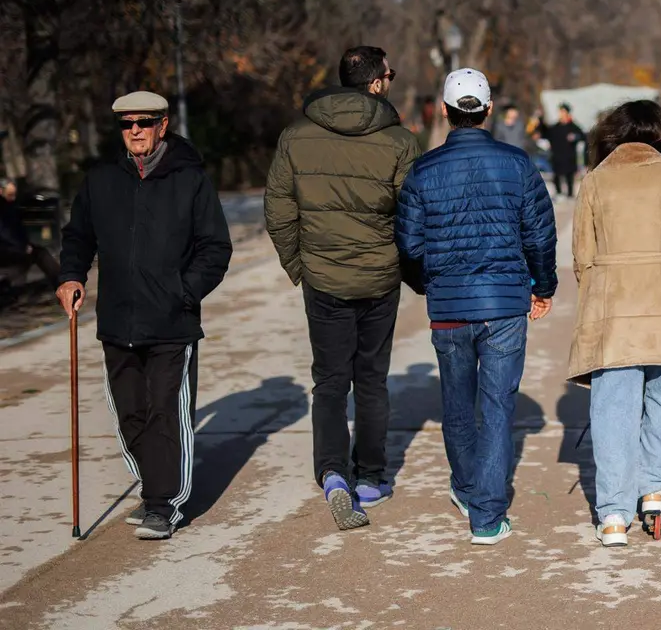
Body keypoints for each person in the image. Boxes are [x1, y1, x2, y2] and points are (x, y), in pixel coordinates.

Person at [57, 90, 232, 540]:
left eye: (144, 122)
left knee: (164, 414)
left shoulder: (190, 179)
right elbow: (78, 236)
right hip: (117, 322)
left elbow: (215, 248)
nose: (135, 130)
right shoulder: (101, 180)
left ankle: (162, 503)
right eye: (126, 124)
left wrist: (183, 293)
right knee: (130, 415)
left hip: (172, 323)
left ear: (162, 125)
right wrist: (71, 276)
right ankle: (154, 483)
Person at [265, 46, 424, 530]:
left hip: (323, 277)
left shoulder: (296, 136)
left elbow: (278, 208)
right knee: (371, 379)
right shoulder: (399, 140)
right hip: (379, 277)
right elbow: (413, 216)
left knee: (330, 381)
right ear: (376, 83)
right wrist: (408, 271)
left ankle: (333, 471)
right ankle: (371, 476)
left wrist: (300, 265)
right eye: (390, 75)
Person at [396, 68, 556, 545]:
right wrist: (543, 286)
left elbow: (408, 244)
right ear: (488, 110)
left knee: (457, 403)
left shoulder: (423, 169)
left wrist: (427, 285)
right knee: (497, 407)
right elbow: (539, 235)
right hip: (504, 303)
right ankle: (486, 515)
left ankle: (467, 489)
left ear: (446, 112)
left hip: (449, 304)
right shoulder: (517, 163)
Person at [567, 100, 661, 547]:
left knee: (613, 410)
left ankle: (613, 515)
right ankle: (653, 487)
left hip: (612, 307)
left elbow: (582, 256)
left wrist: (598, 292)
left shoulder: (594, 181)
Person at [0, 178, 60, 291]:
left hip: (10, 247)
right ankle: (63, 283)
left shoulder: (8, 205)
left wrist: (25, 243)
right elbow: (4, 233)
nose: (13, 198)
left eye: (14, 195)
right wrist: (22, 246)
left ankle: (8, 285)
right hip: (5, 250)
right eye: (10, 195)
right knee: (39, 254)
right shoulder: (4, 208)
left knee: (32, 256)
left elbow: (16, 229)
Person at [542, 103, 585, 199]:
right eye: (560, 112)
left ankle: (570, 194)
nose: (561, 114)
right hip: (557, 155)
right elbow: (546, 134)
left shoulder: (573, 126)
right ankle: (559, 193)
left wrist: (575, 137)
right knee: (556, 175)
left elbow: (582, 136)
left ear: (568, 113)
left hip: (569, 156)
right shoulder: (555, 127)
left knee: (569, 176)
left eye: (563, 112)